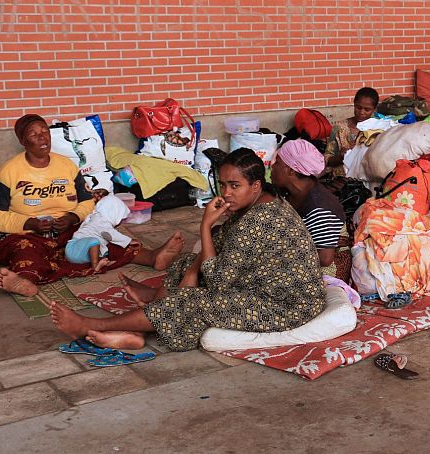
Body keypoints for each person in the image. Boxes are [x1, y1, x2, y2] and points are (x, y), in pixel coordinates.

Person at [49, 148, 327, 352]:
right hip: (262, 285)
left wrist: (206, 225)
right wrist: (192, 270)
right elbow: (221, 249)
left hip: (286, 306)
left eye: (235, 186)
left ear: (255, 186)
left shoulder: (258, 220)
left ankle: (93, 326)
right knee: (187, 264)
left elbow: (219, 282)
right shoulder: (262, 201)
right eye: (222, 184)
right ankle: (142, 321)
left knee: (192, 301)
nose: (226, 193)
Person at [0, 114, 184, 297]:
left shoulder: (66, 165)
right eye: (33, 134)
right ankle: (24, 281)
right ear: (22, 141)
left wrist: (72, 217)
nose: (42, 138)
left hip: (67, 228)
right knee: (26, 252)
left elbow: (87, 201)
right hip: (29, 233)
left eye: (44, 131)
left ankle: (151, 257)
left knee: (103, 235)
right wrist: (29, 223)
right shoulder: (9, 171)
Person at [270, 139, 346, 275]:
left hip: (321, 275)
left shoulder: (319, 207)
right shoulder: (290, 193)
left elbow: (325, 259)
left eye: (277, 163)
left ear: (290, 171)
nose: (272, 166)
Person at [65, 194, 136, 273]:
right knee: (94, 241)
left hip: (83, 254)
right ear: (113, 213)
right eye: (120, 218)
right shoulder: (100, 220)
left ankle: (102, 261)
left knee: (103, 250)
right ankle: (95, 266)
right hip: (74, 250)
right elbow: (110, 235)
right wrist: (129, 240)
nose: (120, 222)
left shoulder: (99, 219)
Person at [321, 87, 379, 181]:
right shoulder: (339, 128)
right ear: (354, 104)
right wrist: (341, 157)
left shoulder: (378, 129)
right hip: (343, 181)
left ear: (374, 109)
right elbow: (327, 159)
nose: (361, 112)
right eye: (358, 107)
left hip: (370, 179)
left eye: (367, 109)